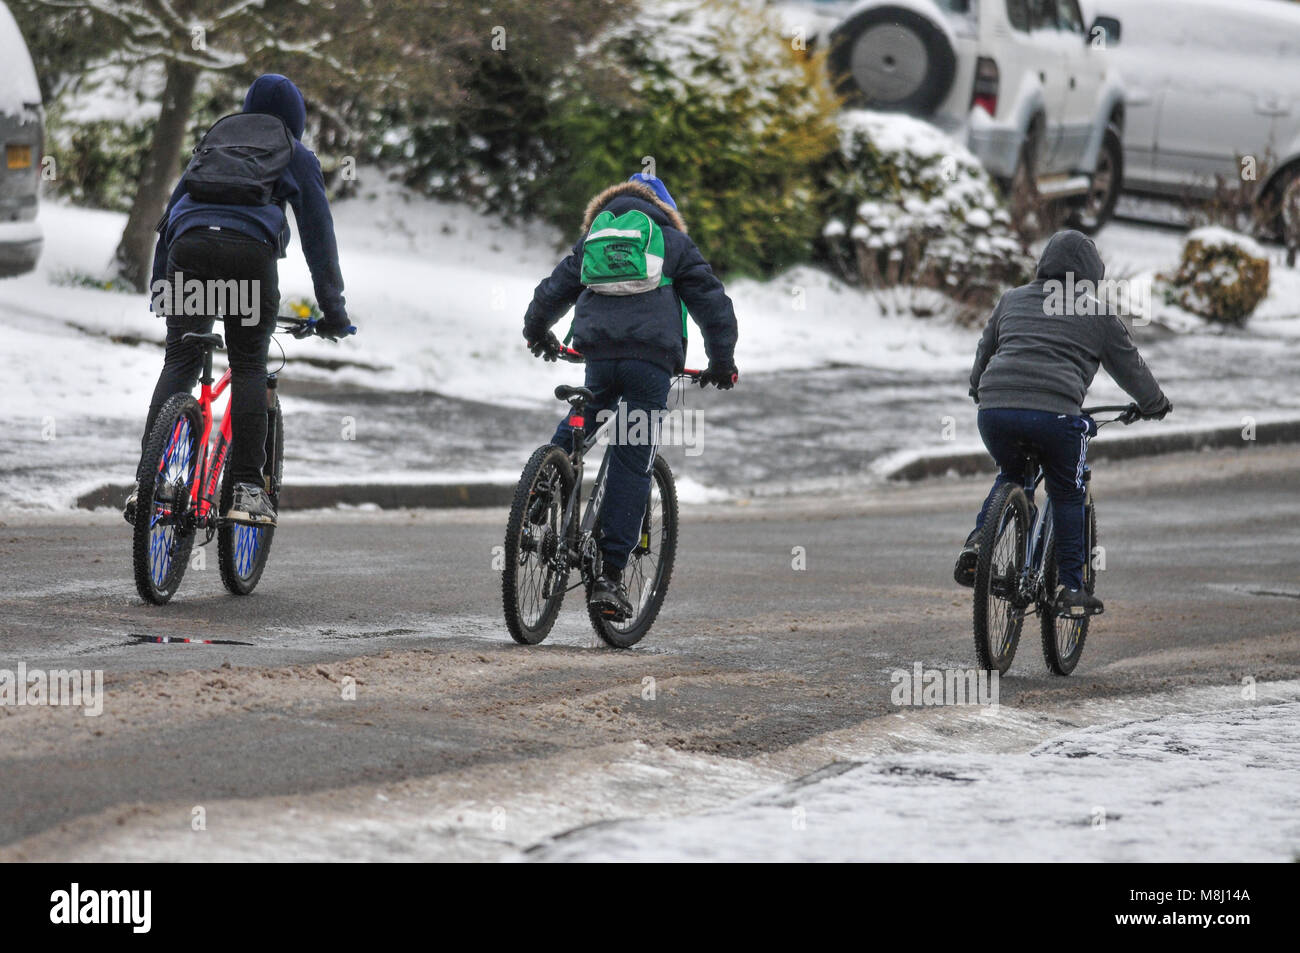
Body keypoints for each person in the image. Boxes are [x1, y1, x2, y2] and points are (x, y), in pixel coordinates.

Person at [126, 73, 350, 527]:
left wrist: (161, 287)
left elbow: (171, 217)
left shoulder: (215, 142)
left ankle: (148, 484)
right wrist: (333, 310)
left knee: (181, 360)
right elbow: (318, 236)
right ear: (297, 118)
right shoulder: (293, 151)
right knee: (248, 364)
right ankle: (248, 488)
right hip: (248, 256)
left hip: (188, 250)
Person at [523, 172, 738, 619]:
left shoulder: (595, 237)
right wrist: (721, 362)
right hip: (649, 363)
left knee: (589, 412)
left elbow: (554, 289)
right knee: (630, 453)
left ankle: (547, 477)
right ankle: (609, 578)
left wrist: (537, 332)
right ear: (665, 210)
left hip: (598, 354)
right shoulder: (671, 242)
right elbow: (712, 306)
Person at [956, 229, 1171, 617]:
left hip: (995, 412)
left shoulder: (1012, 299)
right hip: (1055, 416)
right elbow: (1132, 367)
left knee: (1010, 474)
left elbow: (985, 349)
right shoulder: (1097, 313)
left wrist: (977, 388)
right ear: (1090, 275)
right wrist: (1154, 404)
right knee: (1068, 491)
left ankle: (978, 545)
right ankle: (1071, 587)